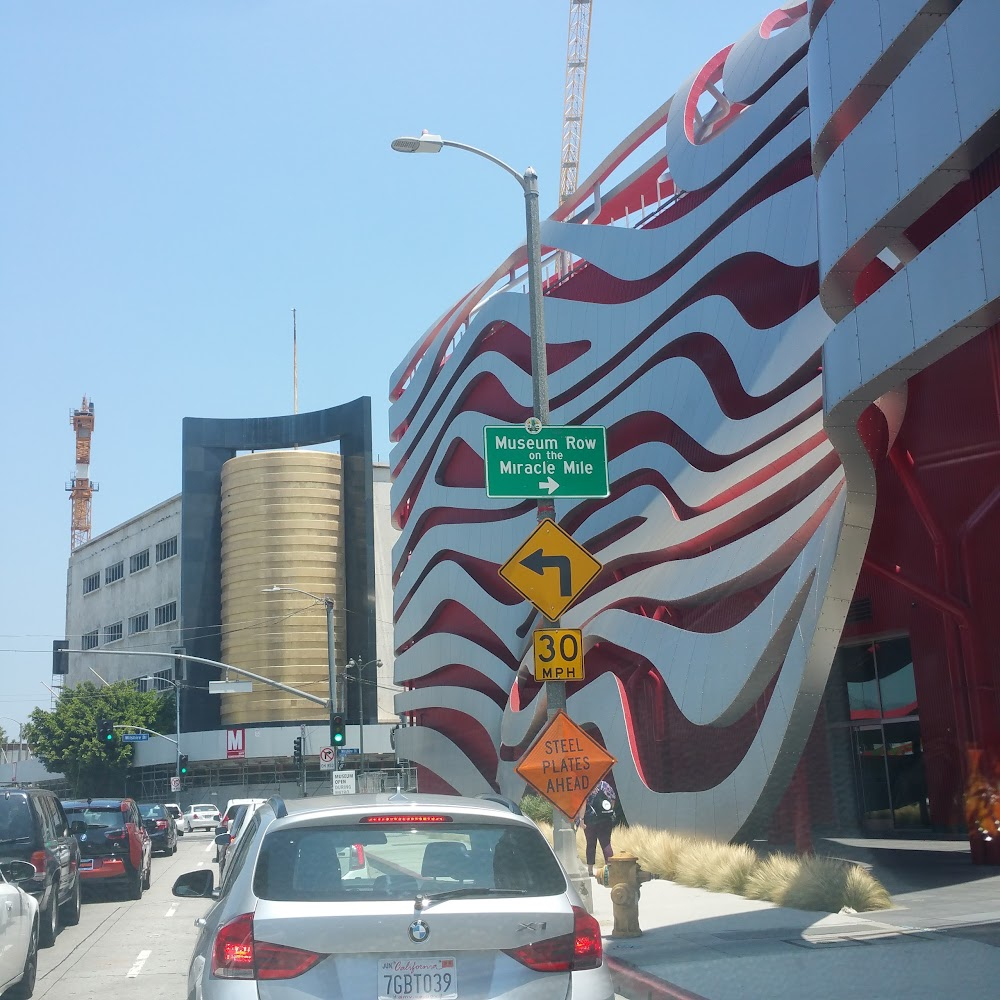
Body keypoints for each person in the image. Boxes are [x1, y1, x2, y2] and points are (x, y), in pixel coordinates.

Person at [581, 778, 616, 877]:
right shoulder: (605, 785)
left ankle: (590, 870)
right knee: (606, 844)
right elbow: (612, 800)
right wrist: (607, 813)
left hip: (590, 819)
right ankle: (611, 869)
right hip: (606, 819)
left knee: (591, 844)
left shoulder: (586, 786)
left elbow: (583, 803)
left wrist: (581, 819)